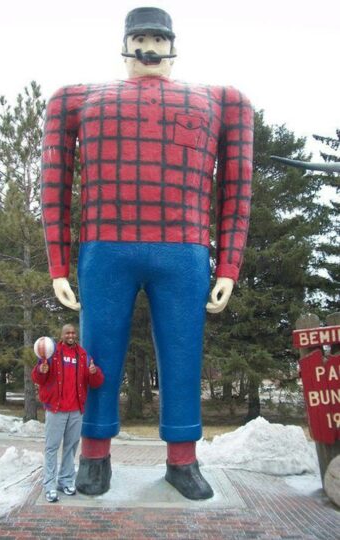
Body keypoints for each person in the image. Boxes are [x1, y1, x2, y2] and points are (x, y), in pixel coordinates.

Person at [40, 7, 253, 500]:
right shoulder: (75, 98)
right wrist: (57, 261)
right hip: (105, 245)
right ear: (126, 44)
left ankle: (183, 459)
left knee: (182, 356)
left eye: (159, 38)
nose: (150, 48)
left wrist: (229, 264)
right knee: (98, 354)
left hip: (183, 249)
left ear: (173, 45)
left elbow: (238, 186)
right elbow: (54, 182)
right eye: (141, 37)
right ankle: (94, 456)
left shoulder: (221, 101)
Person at [31, 324, 104, 502]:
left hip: (76, 410)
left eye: (73, 333)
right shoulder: (52, 354)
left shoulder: (83, 355)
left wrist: (94, 373)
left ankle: (65, 481)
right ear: (61, 335)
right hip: (56, 410)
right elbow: (37, 377)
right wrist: (41, 370)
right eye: (67, 333)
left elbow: (96, 382)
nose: (70, 335)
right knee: (51, 448)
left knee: (70, 448)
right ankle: (49, 485)